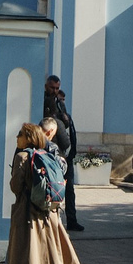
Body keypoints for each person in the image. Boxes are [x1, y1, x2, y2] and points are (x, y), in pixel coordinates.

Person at [4, 122, 81, 264]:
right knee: (53, 260)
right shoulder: (50, 155)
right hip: (49, 213)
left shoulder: (22, 157)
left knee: (17, 258)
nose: (17, 137)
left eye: (20, 134)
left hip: (27, 214)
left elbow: (16, 187)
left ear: (28, 137)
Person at [42, 77, 83, 233]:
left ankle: (72, 220)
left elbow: (65, 123)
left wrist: (65, 118)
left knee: (69, 188)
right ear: (46, 86)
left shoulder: (60, 102)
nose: (55, 91)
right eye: (52, 88)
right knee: (52, 187)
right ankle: (51, 219)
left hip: (64, 153)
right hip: (52, 151)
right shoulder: (44, 101)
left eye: (57, 88)